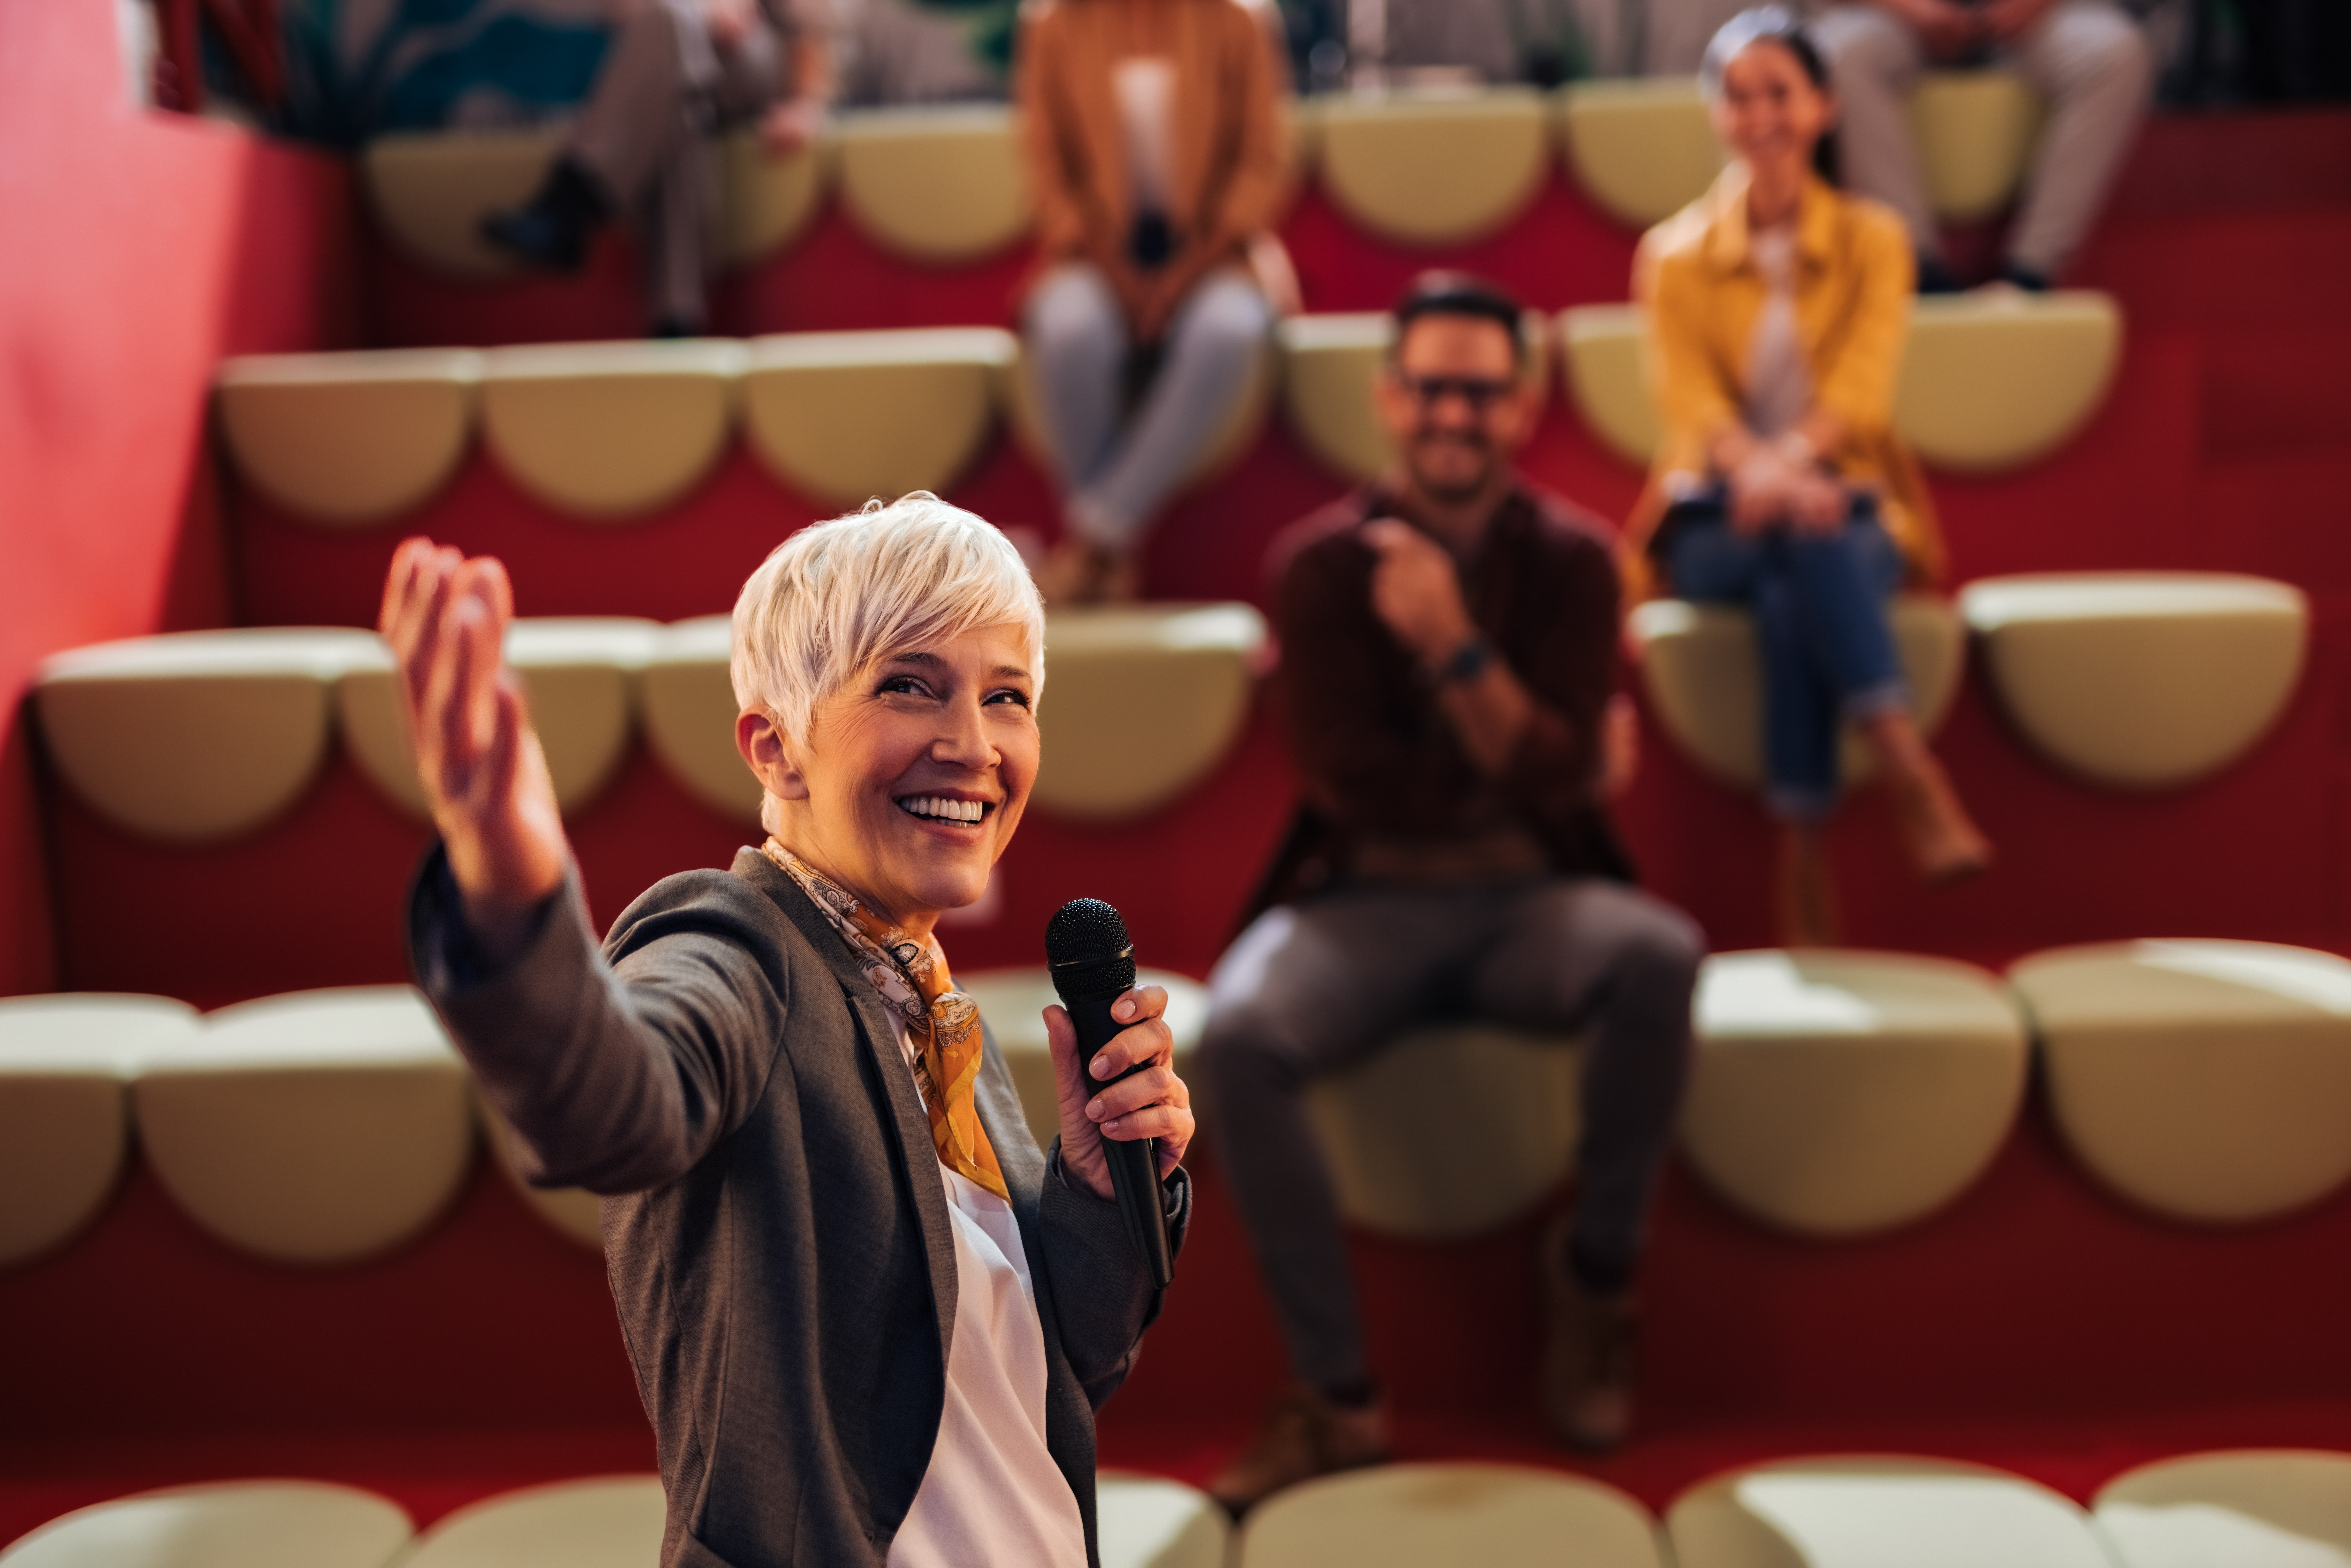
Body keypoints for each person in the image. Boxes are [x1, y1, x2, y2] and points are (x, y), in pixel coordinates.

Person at [381, 494, 1195, 1567]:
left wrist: (1097, 1189)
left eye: (1006, 695)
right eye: (910, 685)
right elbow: (609, 1100)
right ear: (776, 748)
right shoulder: (734, 940)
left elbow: (1052, 1375)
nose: (972, 743)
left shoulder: (942, 1008)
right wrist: (510, 898)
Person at [1196, 275, 1705, 1513]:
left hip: (1534, 905)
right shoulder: (1316, 569)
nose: (1453, 413)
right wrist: (1532, 748)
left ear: (1523, 407)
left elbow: (1549, 770)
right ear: (1388, 397)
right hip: (1362, 905)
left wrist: (1450, 647)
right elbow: (1359, 780)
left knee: (1662, 955)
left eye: (1481, 390)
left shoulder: (1583, 563)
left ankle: (1595, 1288)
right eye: (1430, 386)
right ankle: (1337, 1398)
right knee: (1239, 1030)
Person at [1626, 7, 1991, 946]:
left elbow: (1861, 395)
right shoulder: (1671, 255)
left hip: (1839, 495)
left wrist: (1789, 474)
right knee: (1808, 533)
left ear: (1824, 104)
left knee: (1798, 583)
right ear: (1716, 113)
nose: (1758, 116)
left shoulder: (1875, 239)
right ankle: (1908, 768)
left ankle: (1802, 856)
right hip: (1712, 515)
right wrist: (1772, 477)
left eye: (1778, 92)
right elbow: (1691, 407)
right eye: (1736, 96)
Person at [1017, 0, 1295, 603]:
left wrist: (1183, 272)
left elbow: (1262, 159)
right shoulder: (1053, 26)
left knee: (1229, 329)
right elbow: (1046, 164)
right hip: (1092, 254)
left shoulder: (1241, 21)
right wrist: (1118, 271)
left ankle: (1096, 539)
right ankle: (1109, 563)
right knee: (1068, 328)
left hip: (1219, 253)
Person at [481, 0, 838, 335]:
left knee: (672, 27)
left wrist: (808, 104)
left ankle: (569, 199)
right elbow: (620, 13)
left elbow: (813, 22)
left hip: (763, 56)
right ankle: (676, 321)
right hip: (684, 59)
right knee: (680, 95)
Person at [1807, 0, 2151, 291]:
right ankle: (1918, 273)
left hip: (2023, 27)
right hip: (1894, 21)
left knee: (2116, 55)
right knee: (1841, 55)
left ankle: (2027, 279)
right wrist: (1909, 7)